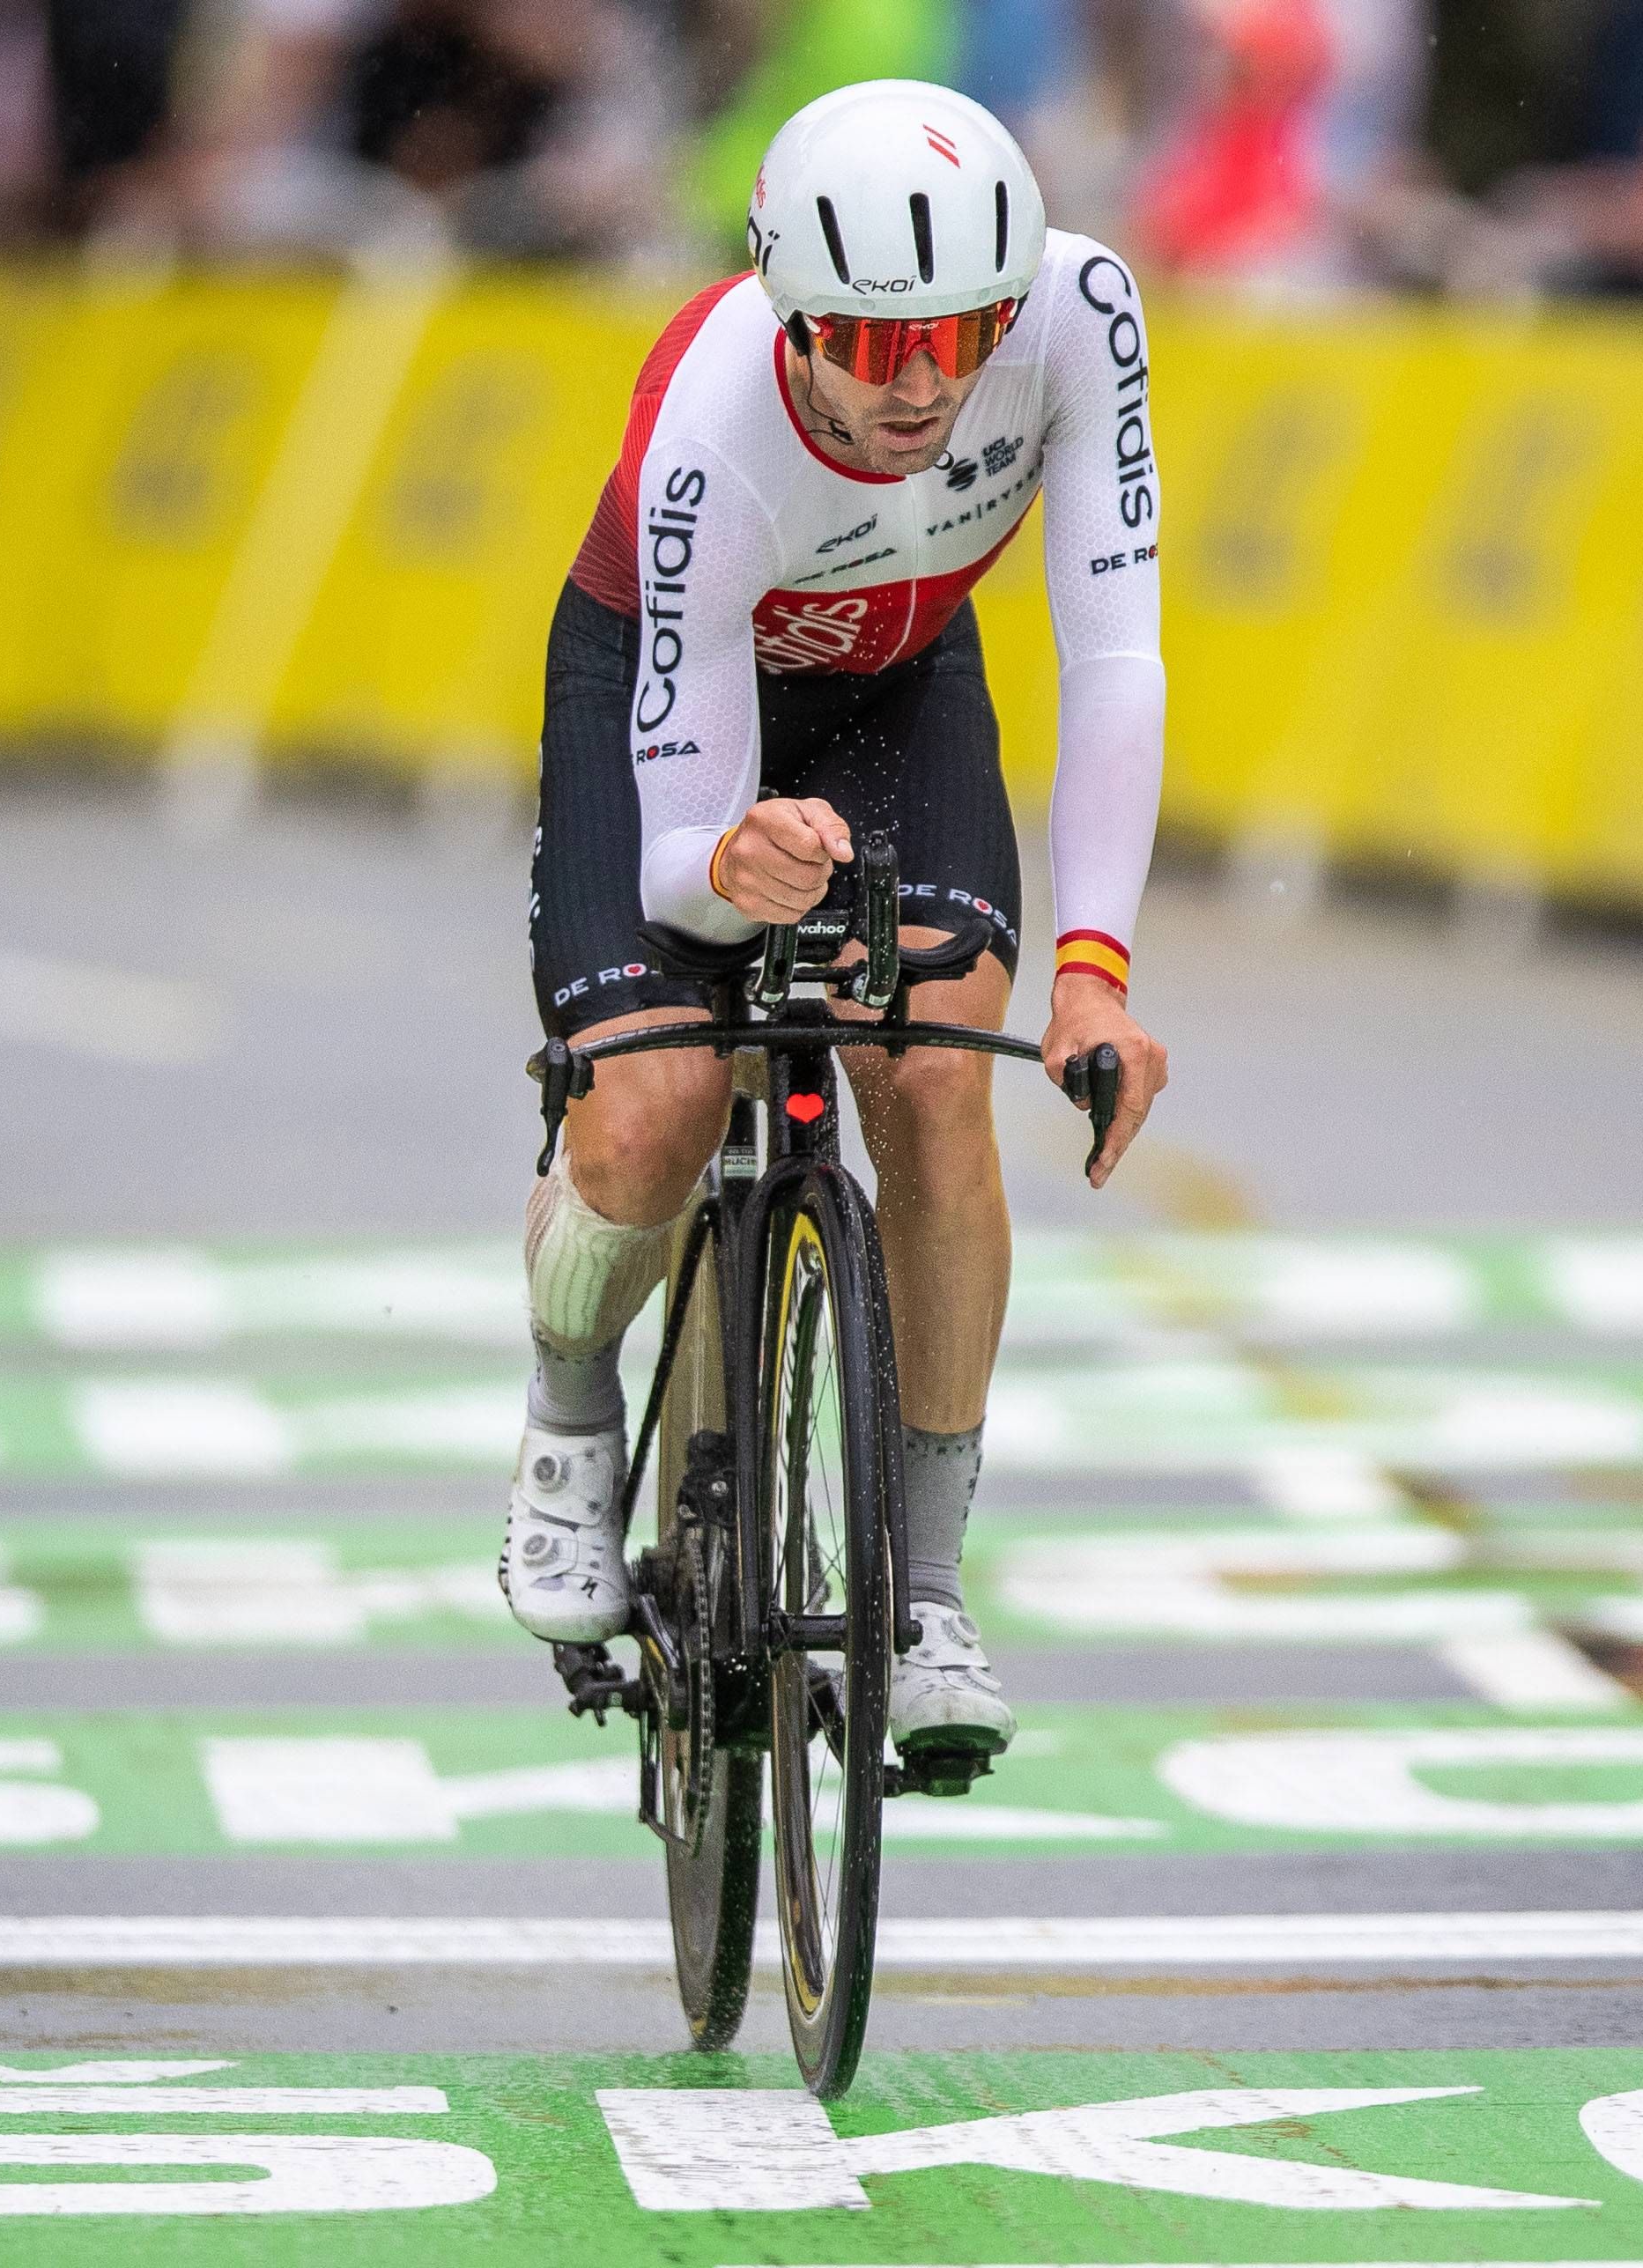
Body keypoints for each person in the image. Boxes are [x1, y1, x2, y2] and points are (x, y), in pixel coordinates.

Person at [500, 78, 1172, 1777]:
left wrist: (1095, 971)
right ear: (792, 318)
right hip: (673, 706)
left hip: (898, 688)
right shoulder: (711, 413)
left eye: (962, 335)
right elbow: (678, 846)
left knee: (940, 1072)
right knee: (651, 1109)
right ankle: (572, 1411)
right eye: (875, 347)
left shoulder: (1083, 318)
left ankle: (928, 1591)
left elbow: (1114, 660)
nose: (927, 385)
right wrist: (733, 864)